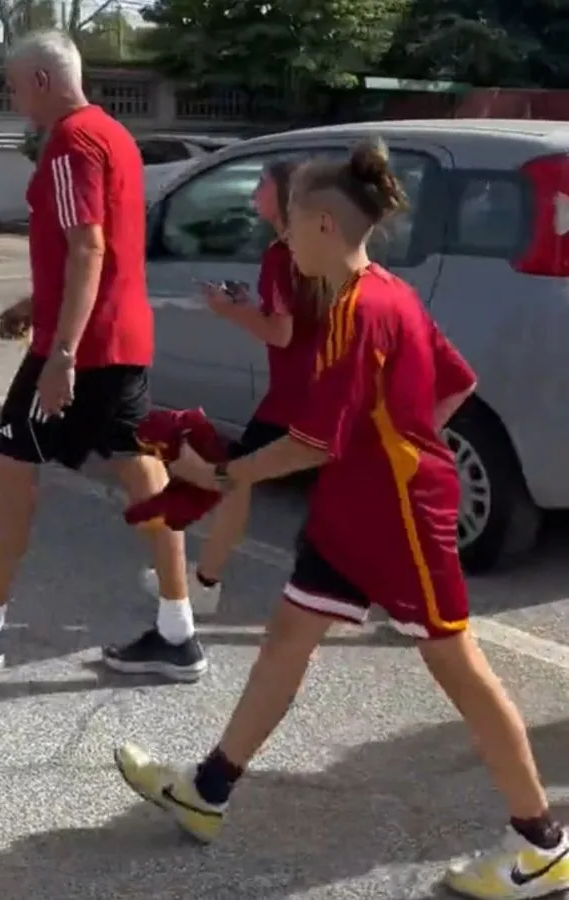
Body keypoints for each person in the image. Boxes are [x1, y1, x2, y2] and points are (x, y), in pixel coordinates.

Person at [112, 140, 569, 898]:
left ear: (323, 225)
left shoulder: (360, 311)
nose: (280, 238)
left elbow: (307, 442)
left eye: (288, 222)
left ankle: (541, 843)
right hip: (356, 509)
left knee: (460, 667)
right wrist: (395, 439)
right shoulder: (387, 291)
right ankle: (210, 789)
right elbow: (453, 385)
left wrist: (224, 474)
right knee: (290, 635)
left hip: (400, 520)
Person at [0, 30, 207, 683]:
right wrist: (36, 302)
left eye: (12, 86)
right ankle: (177, 632)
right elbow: (90, 253)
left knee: (12, 465)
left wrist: (60, 351)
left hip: (82, 349)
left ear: (40, 79)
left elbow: (89, 248)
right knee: (140, 470)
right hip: (121, 338)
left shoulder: (67, 145)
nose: (13, 99)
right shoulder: (112, 135)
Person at [140, 162, 330, 616]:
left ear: (283, 197)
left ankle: (205, 583)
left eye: (264, 182)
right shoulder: (314, 250)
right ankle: (410, 603)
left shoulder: (281, 257)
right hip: (324, 388)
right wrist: (248, 304)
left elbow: (281, 333)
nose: (256, 189)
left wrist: (228, 310)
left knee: (233, 479)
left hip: (293, 399)